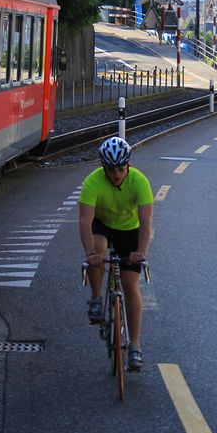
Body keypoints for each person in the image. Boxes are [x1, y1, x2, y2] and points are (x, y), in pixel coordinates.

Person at [79, 136, 154, 371]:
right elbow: (84, 221)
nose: (116, 173)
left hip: (129, 229)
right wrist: (90, 253)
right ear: (103, 167)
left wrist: (140, 253)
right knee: (98, 249)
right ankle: (97, 297)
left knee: (130, 286)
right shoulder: (92, 182)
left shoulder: (140, 182)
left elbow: (146, 222)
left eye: (121, 168)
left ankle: (134, 346)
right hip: (102, 224)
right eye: (111, 169)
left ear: (128, 165)